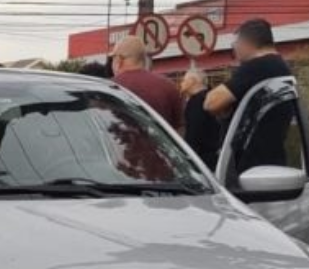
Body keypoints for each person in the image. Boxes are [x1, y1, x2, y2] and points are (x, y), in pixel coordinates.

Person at [205, 18, 294, 169]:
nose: (235, 49)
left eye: (236, 44)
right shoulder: (282, 68)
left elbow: (211, 103)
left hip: (248, 169)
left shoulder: (257, 67)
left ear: (246, 43)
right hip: (271, 163)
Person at [110, 35, 184, 130]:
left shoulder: (110, 87)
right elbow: (178, 129)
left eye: (113, 58)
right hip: (160, 144)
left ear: (119, 60)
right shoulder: (169, 86)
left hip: (119, 144)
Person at [180, 69, 222, 168]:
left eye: (183, 80)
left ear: (192, 81)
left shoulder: (196, 102)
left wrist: (188, 156)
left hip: (202, 159)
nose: (181, 83)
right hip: (216, 155)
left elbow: (194, 132)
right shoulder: (212, 97)